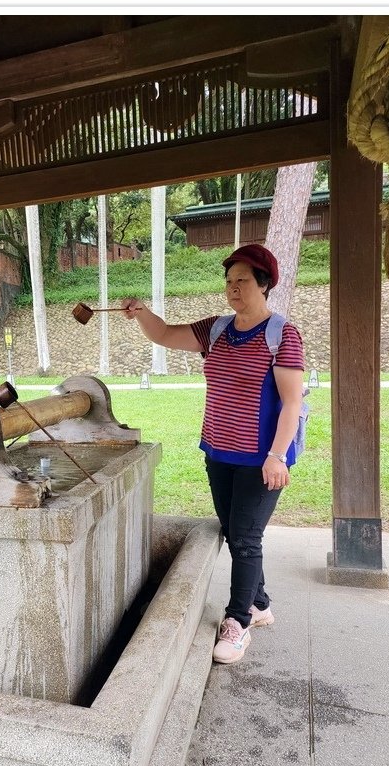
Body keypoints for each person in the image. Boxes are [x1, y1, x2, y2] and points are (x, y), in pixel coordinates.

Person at [122, 243, 305, 664]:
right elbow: (166, 334)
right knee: (234, 529)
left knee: (245, 536)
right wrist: (143, 314)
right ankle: (259, 604)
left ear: (264, 285)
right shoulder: (217, 329)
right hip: (219, 450)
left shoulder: (282, 334)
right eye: (229, 281)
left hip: (262, 458)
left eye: (242, 280)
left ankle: (238, 621)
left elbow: (291, 403)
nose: (233, 288)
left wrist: (278, 455)